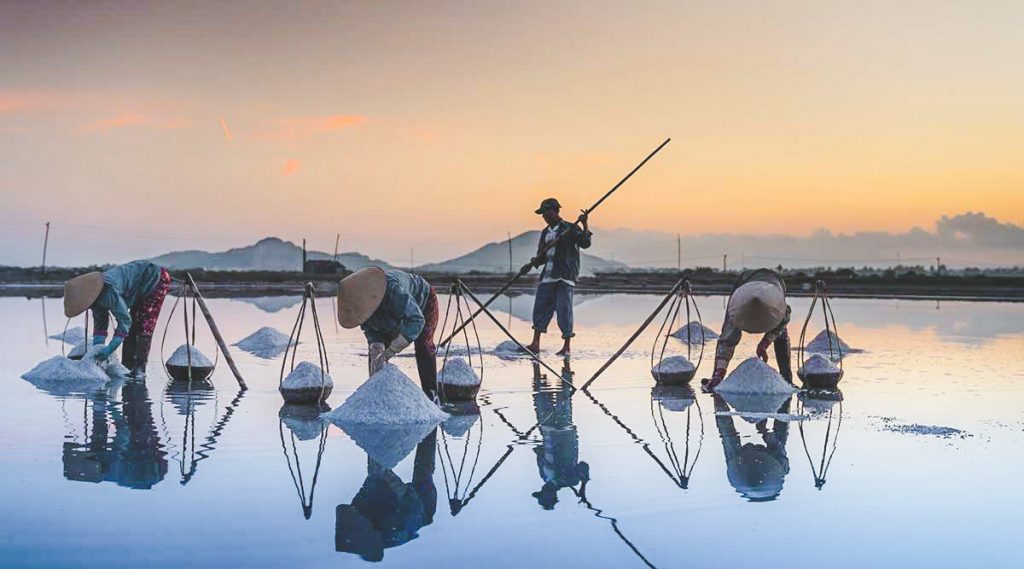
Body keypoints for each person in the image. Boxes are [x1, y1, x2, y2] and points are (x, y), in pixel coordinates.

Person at [335, 430, 438, 562]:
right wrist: (388, 475)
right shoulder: (399, 528)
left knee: (377, 468)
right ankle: (431, 427)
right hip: (422, 507)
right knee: (423, 469)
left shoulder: (356, 518)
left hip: (387, 505)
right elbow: (409, 497)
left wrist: (377, 464)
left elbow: (370, 484)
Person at [337, 267, 438, 396]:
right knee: (376, 354)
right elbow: (371, 332)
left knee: (424, 345)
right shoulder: (362, 309)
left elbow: (416, 320)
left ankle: (432, 396)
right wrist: (376, 348)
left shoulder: (393, 291)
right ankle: (374, 392)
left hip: (423, 300)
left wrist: (391, 350)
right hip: (391, 313)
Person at [63, 260, 172, 377]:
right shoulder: (93, 298)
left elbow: (125, 320)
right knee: (131, 328)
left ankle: (139, 370)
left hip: (155, 279)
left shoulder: (107, 292)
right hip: (136, 288)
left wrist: (112, 347)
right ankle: (126, 367)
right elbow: (100, 323)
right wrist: (96, 349)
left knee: (144, 325)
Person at [521, 198, 593, 357]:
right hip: (547, 277)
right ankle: (535, 344)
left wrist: (584, 225)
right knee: (540, 309)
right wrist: (531, 264)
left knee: (564, 311)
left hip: (564, 276)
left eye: (545, 212)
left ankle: (566, 347)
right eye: (542, 214)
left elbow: (585, 242)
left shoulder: (570, 228)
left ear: (554, 211)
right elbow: (541, 256)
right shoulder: (545, 232)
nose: (544, 216)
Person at [704, 268, 793, 391]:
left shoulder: (777, 308)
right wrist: (721, 370)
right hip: (744, 282)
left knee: (782, 334)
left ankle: (787, 379)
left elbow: (780, 325)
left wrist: (764, 344)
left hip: (775, 283)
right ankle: (716, 378)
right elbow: (727, 340)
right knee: (728, 333)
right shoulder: (738, 308)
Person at [531, 361, 589, 509]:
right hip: (565, 431)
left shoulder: (544, 476)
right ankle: (566, 367)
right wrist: (583, 485)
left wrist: (537, 450)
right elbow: (584, 466)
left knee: (539, 394)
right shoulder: (571, 480)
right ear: (553, 496)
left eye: (542, 493)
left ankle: (537, 368)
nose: (543, 490)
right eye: (545, 495)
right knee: (565, 393)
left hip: (547, 431)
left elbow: (540, 453)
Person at [711, 393, 791, 502]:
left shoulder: (778, 473)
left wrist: (764, 431)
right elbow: (727, 434)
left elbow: (778, 445)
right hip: (742, 473)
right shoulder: (737, 478)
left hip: (756, 473)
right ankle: (719, 400)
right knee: (727, 434)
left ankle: (786, 397)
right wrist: (764, 431)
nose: (753, 445)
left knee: (780, 435)